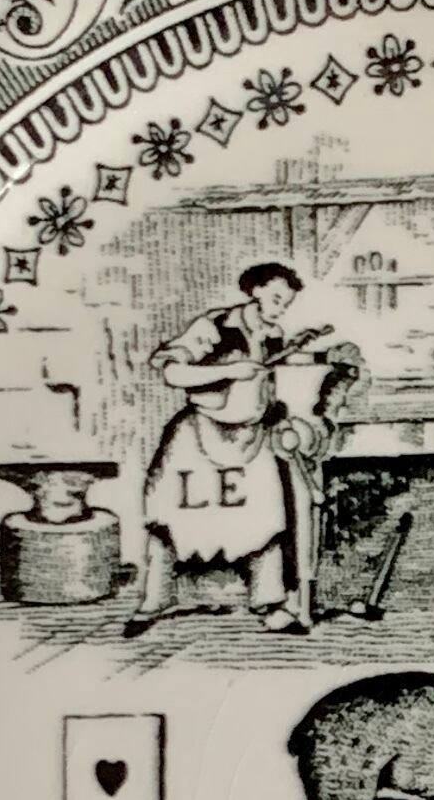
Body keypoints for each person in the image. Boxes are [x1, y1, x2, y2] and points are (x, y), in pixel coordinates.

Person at [126, 261, 351, 636]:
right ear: (255, 290)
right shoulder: (216, 326)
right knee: (170, 520)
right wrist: (229, 371)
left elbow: (273, 371)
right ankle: (153, 601)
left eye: (286, 302)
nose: (281, 308)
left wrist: (314, 360)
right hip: (199, 437)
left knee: (267, 519)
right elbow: (172, 371)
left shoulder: (273, 333)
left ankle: (270, 604)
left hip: (250, 438)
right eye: (276, 298)